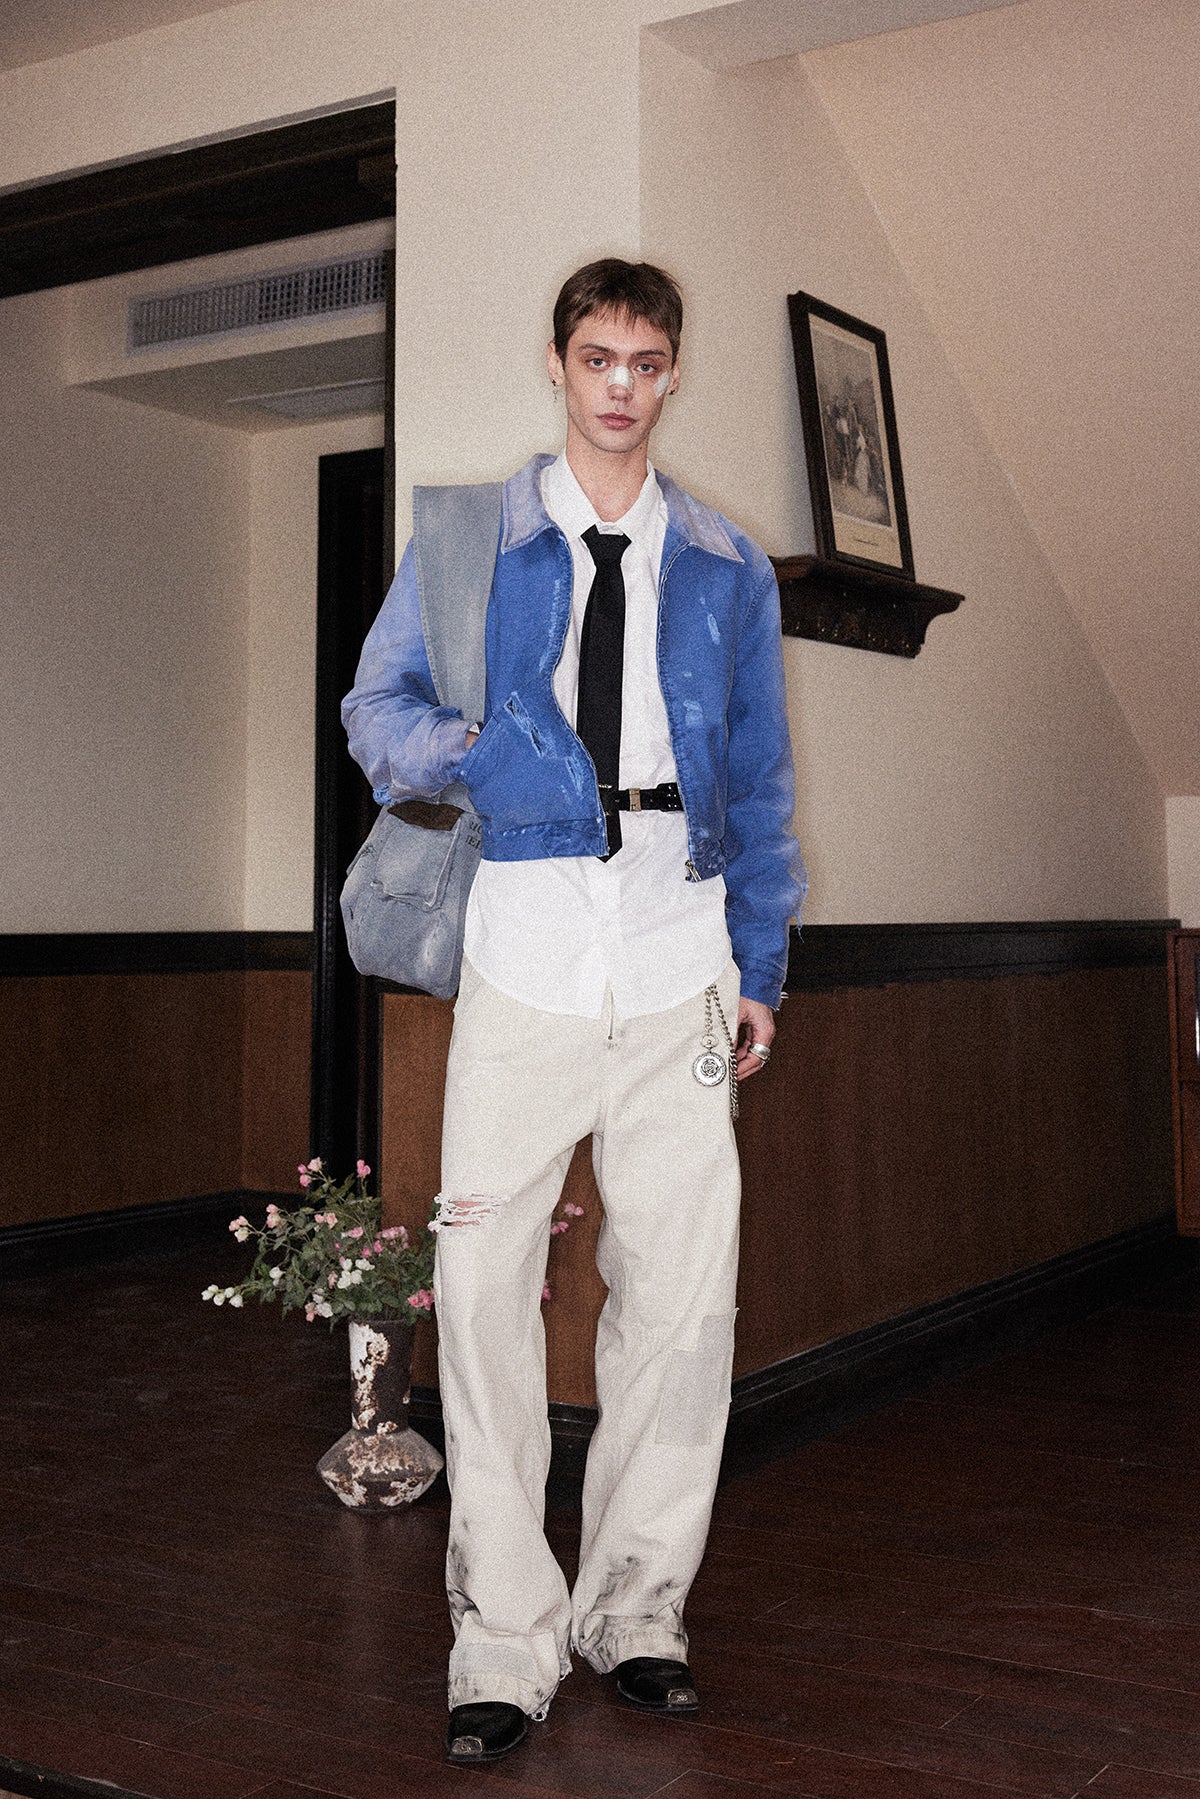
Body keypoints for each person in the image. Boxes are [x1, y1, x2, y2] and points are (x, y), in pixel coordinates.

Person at [342, 258, 804, 1766]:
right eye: (598, 356)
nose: (621, 385)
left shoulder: (725, 565)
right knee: (481, 1294)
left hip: (677, 954)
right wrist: (484, 750)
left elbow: (761, 784)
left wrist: (758, 963)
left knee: (681, 1305)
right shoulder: (467, 538)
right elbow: (376, 711)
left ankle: (637, 1614)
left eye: (647, 362)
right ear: (558, 363)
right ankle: (502, 1639)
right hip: (527, 954)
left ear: (672, 374)